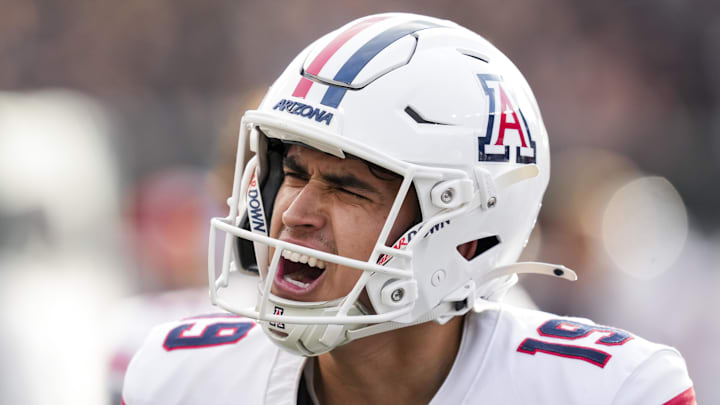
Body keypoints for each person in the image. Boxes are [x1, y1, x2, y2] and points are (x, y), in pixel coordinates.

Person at [122, 13, 695, 404]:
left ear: (465, 236)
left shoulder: (611, 391)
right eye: (292, 173)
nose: (294, 212)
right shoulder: (182, 379)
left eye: (347, 188)